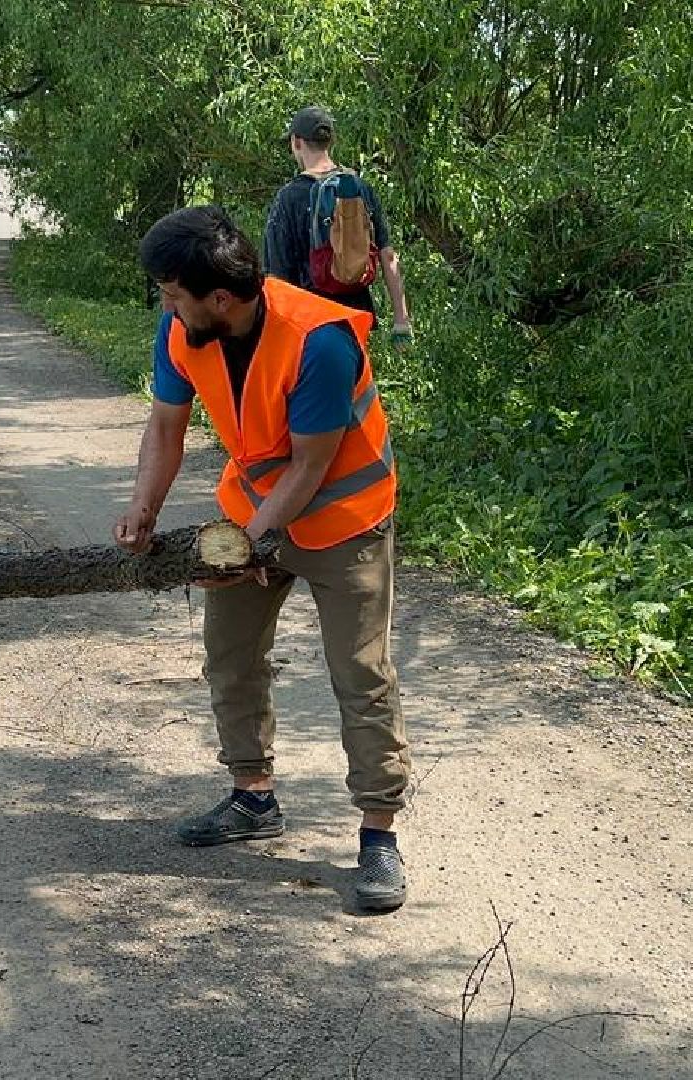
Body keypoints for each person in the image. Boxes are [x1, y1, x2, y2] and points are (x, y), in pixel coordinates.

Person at [114, 207, 410, 913]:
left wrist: (251, 544)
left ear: (221, 298)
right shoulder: (183, 330)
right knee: (231, 654)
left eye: (173, 292)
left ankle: (378, 835)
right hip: (253, 508)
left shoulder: (321, 341)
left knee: (360, 675)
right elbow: (164, 428)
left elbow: (309, 469)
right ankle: (253, 798)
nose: (164, 303)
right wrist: (143, 509)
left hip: (344, 520)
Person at [263, 107, 412, 342]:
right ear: (330, 141)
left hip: (311, 324)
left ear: (296, 142)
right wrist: (401, 320)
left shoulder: (288, 198)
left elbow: (277, 277)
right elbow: (387, 254)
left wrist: (274, 338)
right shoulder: (359, 188)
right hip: (357, 318)